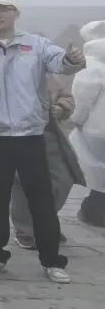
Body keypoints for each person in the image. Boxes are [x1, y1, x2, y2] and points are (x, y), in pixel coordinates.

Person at [0, 0, 86, 284]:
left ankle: (52, 260)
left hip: (30, 136)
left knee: (41, 199)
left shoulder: (36, 44)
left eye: (3, 9)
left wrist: (72, 59)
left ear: (15, 14)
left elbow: (62, 63)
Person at [10, 77, 83, 247]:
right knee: (23, 183)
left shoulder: (44, 72)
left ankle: (44, 222)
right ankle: (25, 231)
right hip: (18, 135)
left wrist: (61, 107)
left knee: (63, 180)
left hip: (48, 135)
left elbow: (66, 96)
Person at [70, 24, 105, 228]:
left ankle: (94, 212)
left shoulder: (91, 65)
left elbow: (82, 100)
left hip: (96, 128)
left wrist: (75, 119)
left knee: (96, 171)